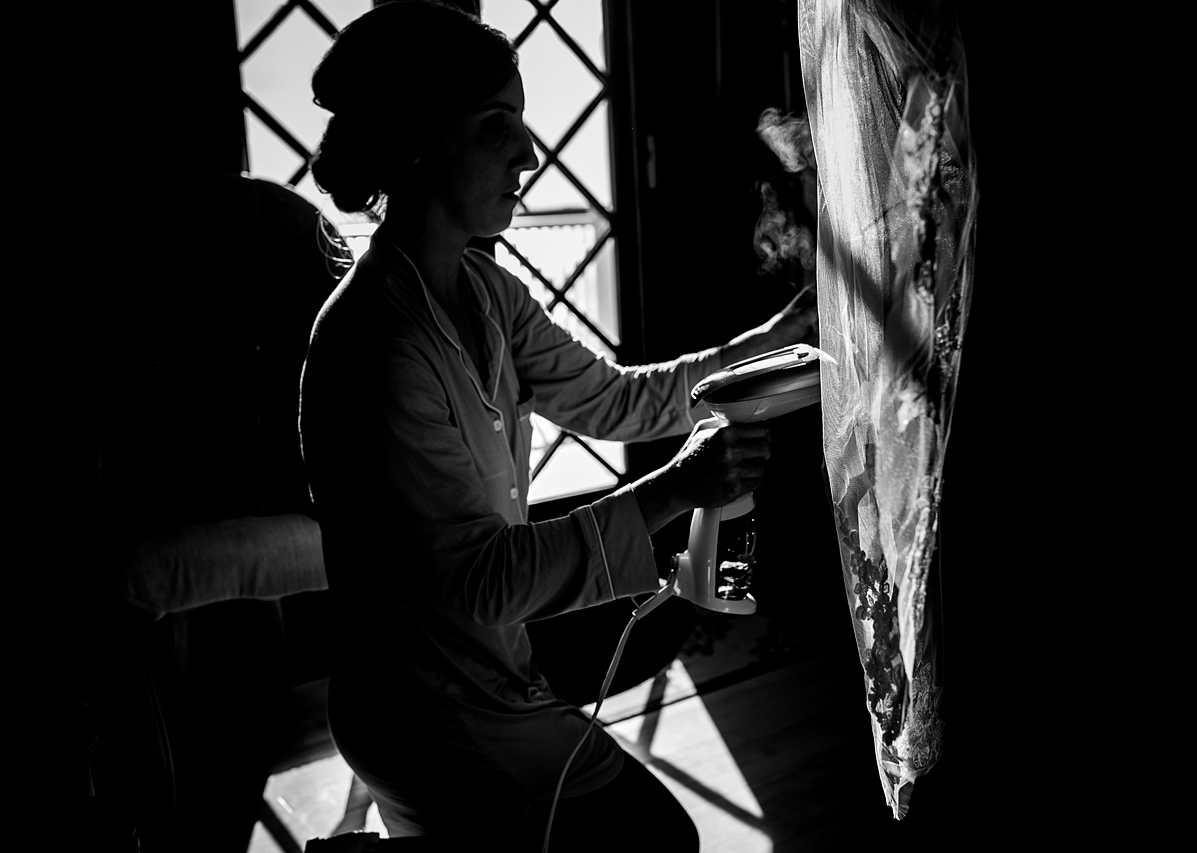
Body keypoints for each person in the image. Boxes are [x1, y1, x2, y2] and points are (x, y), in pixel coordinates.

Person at [298, 3, 817, 849]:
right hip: (432, 706)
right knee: (660, 839)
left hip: (488, 651)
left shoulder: (488, 296)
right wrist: (679, 485)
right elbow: (480, 582)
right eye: (496, 125)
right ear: (419, 141)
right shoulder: (376, 345)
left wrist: (772, 338)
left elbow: (616, 399)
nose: (529, 154)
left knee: (666, 618)